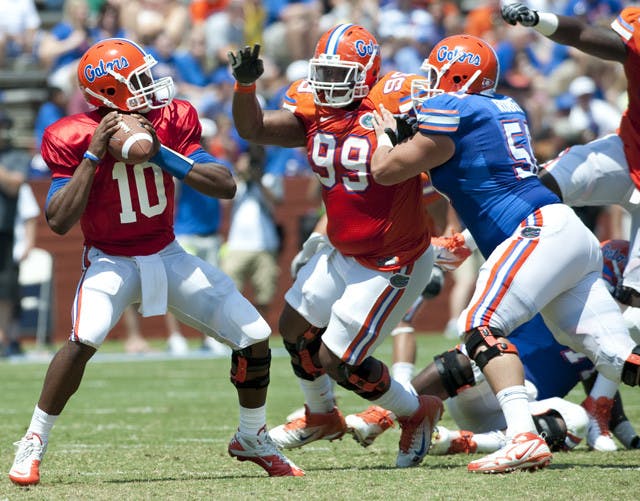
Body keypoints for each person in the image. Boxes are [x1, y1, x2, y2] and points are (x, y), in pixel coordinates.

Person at [8, 37, 303, 486]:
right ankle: (33, 440)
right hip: (110, 259)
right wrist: (93, 155)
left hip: (167, 251)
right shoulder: (69, 135)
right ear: (108, 93)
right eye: (138, 80)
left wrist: (161, 152)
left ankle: (251, 436)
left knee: (255, 335)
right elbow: (59, 219)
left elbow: (224, 185)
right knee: (83, 338)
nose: (150, 86)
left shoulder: (173, 118)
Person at [369, 33, 640, 473]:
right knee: (620, 359)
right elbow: (450, 164)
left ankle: (522, 438)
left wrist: (384, 136)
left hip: (534, 231)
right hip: (565, 232)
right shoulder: (501, 106)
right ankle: (521, 437)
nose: (431, 84)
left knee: (478, 324)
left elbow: (384, 170)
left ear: (459, 75)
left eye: (438, 75)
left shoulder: (454, 107)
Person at [227, 24, 444, 470]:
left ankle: (415, 410)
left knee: (338, 361)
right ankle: (321, 414)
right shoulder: (314, 113)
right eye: (321, 70)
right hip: (343, 250)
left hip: (392, 259)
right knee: (291, 327)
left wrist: (410, 134)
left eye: (337, 72)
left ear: (367, 75)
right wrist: (245, 86)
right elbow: (253, 128)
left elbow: (440, 162)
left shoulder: (393, 106)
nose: (325, 82)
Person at [499, 3, 640, 308]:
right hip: (628, 150)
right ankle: (465, 243)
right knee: (539, 185)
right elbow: (585, 33)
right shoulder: (636, 26)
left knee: (633, 300)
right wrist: (539, 19)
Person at [0, 109, 31, 356]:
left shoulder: (16, 157)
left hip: (5, 232)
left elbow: (14, 186)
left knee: (6, 289)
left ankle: (3, 336)